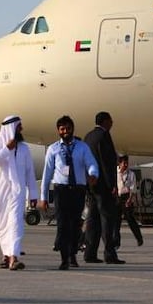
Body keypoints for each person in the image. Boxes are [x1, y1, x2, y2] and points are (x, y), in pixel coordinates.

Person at [39, 115, 99, 270]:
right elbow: (47, 174)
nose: (65, 131)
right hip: (61, 190)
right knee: (62, 224)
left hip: (78, 190)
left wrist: (93, 174)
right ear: (58, 131)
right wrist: (43, 197)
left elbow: (91, 163)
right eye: (62, 129)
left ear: (72, 129)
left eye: (68, 128)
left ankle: (72, 253)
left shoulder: (82, 147)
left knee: (75, 225)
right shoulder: (53, 149)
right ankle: (64, 258)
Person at [0, 115, 38, 271]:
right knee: (3, 225)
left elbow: (30, 172)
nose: (21, 129)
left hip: (17, 191)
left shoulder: (24, 149)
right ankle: (6, 256)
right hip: (0, 192)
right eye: (19, 126)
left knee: (16, 222)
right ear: (10, 128)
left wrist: (33, 194)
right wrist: (6, 149)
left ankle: (14, 258)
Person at [83, 111, 124, 264]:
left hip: (91, 184)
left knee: (92, 219)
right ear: (106, 122)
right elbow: (106, 162)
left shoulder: (88, 136)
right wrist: (112, 184)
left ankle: (90, 253)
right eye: (111, 120)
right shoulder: (104, 136)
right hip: (103, 186)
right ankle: (110, 253)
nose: (112, 123)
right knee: (107, 219)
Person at [114, 154, 143, 249]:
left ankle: (139, 238)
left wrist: (130, 200)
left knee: (130, 219)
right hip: (117, 198)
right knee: (116, 222)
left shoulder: (131, 174)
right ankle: (116, 242)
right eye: (124, 163)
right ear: (119, 163)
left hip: (127, 197)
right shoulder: (115, 173)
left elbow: (133, 189)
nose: (126, 165)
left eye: (127, 163)